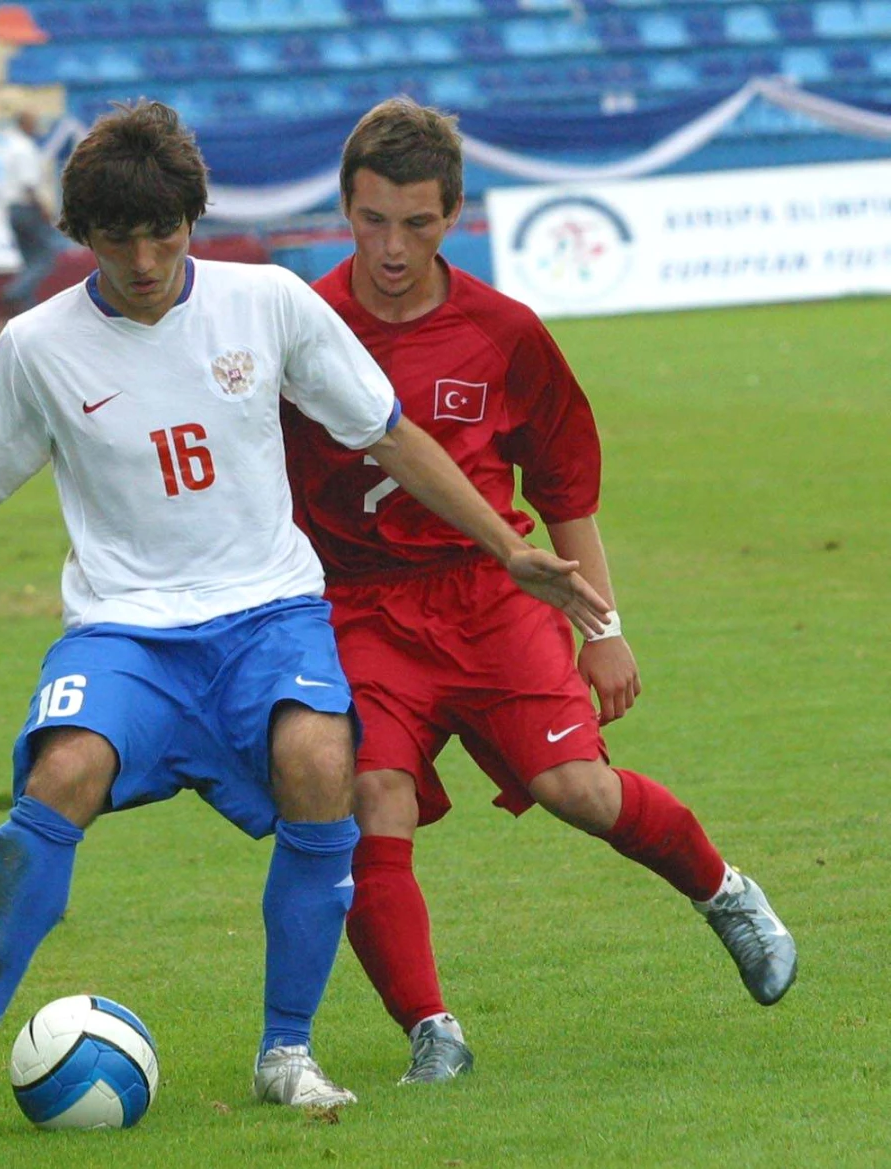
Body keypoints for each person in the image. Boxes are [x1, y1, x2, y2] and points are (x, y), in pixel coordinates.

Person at [0, 100, 609, 1123]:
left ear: (194, 218)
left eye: (164, 232)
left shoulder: (265, 302)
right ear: (82, 239)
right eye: (116, 238)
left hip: (268, 611)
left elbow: (390, 433)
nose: (144, 259)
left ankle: (288, 1048)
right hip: (126, 627)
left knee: (323, 763)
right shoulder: (36, 346)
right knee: (64, 770)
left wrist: (509, 546)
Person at [282, 97, 798, 1086]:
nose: (393, 246)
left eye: (419, 223)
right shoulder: (302, 328)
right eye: (373, 219)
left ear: (456, 216)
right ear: (342, 209)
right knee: (368, 794)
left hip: (491, 595)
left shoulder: (504, 331)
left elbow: (564, 490)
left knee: (579, 788)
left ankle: (724, 890)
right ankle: (432, 1029)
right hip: (359, 608)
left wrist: (602, 626)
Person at [0, 110, 61, 313]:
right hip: (27, 208)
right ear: (24, 124)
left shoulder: (10, 147)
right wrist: (44, 209)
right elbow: (29, 184)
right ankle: (15, 291)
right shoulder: (24, 148)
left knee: (29, 261)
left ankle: (26, 310)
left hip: (12, 209)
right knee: (45, 258)